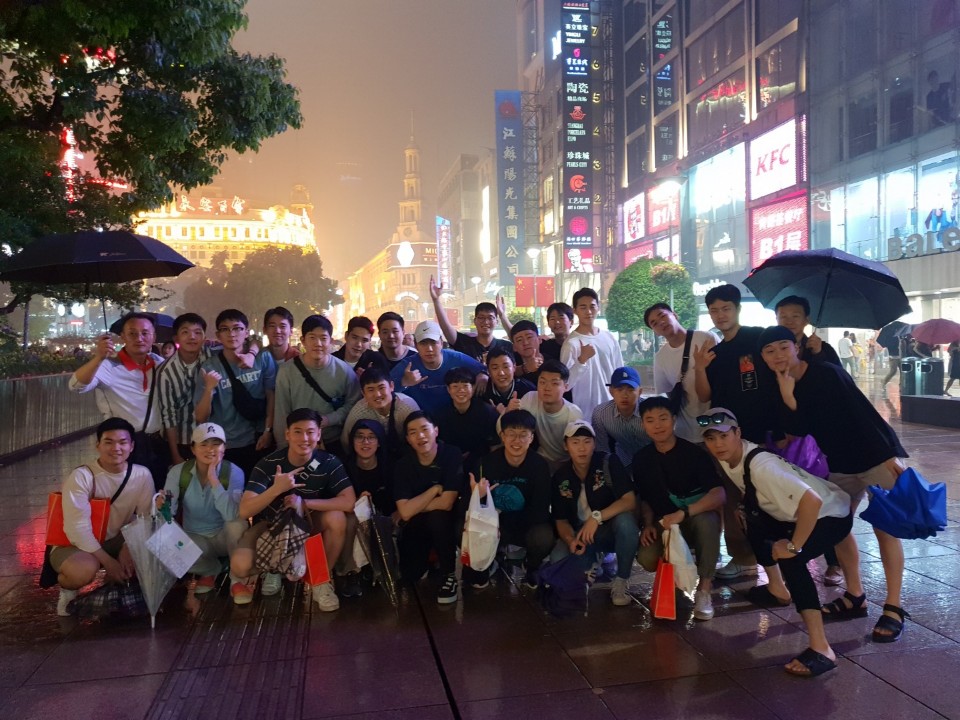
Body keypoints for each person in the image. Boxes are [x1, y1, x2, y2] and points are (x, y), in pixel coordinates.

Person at [759, 325, 913, 643]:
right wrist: (787, 395)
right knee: (838, 525)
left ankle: (894, 606)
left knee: (886, 529)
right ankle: (855, 595)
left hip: (874, 457)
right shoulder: (778, 386)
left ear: (796, 347)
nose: (778, 355)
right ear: (763, 357)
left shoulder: (826, 373)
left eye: (783, 347)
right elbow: (798, 430)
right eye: (769, 351)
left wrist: (889, 455)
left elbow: (863, 414)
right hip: (840, 464)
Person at [701, 407, 856, 677]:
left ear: (738, 434)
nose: (718, 444)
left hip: (830, 515)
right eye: (711, 438)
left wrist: (793, 546)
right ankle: (777, 589)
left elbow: (811, 501)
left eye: (724, 436)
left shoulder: (762, 467)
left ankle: (822, 649)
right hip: (798, 513)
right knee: (749, 519)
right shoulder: (731, 457)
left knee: (792, 560)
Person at [232, 408, 356, 611]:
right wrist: (276, 489)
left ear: (319, 434)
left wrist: (304, 503)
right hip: (271, 527)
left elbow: (349, 502)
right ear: (287, 434)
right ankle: (273, 569)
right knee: (240, 565)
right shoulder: (269, 463)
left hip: (308, 523)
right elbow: (245, 510)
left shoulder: (328, 462)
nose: (304, 438)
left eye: (310, 432)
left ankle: (320, 579)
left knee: (337, 518)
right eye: (298, 431)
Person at [694, 283, 778, 580]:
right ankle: (743, 557)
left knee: (767, 495)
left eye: (726, 308)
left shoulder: (758, 338)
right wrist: (700, 368)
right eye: (714, 310)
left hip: (761, 432)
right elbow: (704, 396)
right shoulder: (713, 353)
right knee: (732, 498)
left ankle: (777, 553)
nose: (720, 315)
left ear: (738, 309)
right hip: (725, 437)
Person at [51, 418, 155, 616]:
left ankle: (113, 583)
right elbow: (77, 529)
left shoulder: (141, 475)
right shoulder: (82, 476)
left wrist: (128, 546)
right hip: (74, 544)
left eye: (123, 442)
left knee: (153, 552)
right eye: (109, 442)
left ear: (132, 446)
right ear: (97, 445)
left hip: (115, 538)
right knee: (82, 571)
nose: (116, 448)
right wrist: (109, 562)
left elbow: (145, 518)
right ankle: (68, 590)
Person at [633, 398, 725, 621]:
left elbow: (719, 494)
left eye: (663, 418)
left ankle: (704, 589)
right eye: (650, 420)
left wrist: (685, 513)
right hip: (663, 523)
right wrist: (647, 524)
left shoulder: (694, 454)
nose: (657, 425)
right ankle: (676, 579)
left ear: (674, 420)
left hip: (693, 519)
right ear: (643, 424)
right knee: (646, 557)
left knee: (707, 521)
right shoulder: (641, 459)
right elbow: (644, 498)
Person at [773, 295, 843, 584]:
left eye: (795, 315)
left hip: (817, 437)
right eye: (783, 315)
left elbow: (838, 383)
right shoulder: (774, 348)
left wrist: (819, 353)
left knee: (825, 496)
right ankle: (795, 554)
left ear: (806, 319)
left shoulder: (820, 349)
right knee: (792, 496)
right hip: (788, 435)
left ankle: (834, 562)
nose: (789, 320)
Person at [69, 312, 169, 489]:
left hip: (157, 445)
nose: (139, 338)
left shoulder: (160, 364)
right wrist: (99, 357)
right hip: (124, 447)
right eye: (132, 333)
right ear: (123, 336)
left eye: (145, 333)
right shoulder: (109, 366)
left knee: (159, 494)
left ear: (153, 337)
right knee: (127, 494)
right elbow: (76, 386)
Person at [550, 420, 639, 607]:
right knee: (557, 560)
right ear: (566, 446)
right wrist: (570, 540)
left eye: (587, 441)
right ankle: (591, 559)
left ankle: (621, 580)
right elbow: (561, 519)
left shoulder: (608, 462)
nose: (582, 448)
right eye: (575, 442)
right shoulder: (561, 475)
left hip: (607, 529)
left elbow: (629, 500)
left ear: (594, 444)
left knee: (626, 522)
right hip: (580, 533)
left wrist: (596, 517)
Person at [468, 410, 554, 589]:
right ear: (502, 436)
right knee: (461, 527)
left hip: (525, 524)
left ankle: (531, 565)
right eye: (511, 434)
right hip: (492, 524)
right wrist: (479, 497)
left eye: (523, 435)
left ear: (532, 438)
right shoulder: (486, 463)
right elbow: (470, 508)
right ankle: (487, 560)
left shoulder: (539, 465)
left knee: (544, 536)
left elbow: (540, 511)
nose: (517, 440)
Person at [162, 422, 246, 592]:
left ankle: (237, 578)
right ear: (193, 449)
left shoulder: (234, 472)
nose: (210, 449)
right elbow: (168, 514)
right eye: (203, 444)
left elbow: (230, 515)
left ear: (224, 448)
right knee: (164, 543)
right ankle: (210, 569)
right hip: (195, 540)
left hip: (224, 538)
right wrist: (162, 508)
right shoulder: (178, 472)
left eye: (216, 444)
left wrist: (214, 480)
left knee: (238, 524)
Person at [393, 412, 463, 604]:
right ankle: (430, 561)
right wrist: (434, 490)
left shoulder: (451, 454)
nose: (421, 436)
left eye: (425, 429)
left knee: (438, 517)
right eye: (413, 432)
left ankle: (449, 575)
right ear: (408, 439)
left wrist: (412, 506)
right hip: (416, 523)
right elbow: (405, 513)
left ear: (436, 431)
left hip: (447, 519)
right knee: (410, 575)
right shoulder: (403, 464)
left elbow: (446, 502)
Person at [196, 309, 276, 476]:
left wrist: (268, 431)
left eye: (237, 328)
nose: (231, 334)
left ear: (246, 332)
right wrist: (209, 389)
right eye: (225, 329)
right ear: (218, 335)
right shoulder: (210, 367)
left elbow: (271, 396)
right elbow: (201, 417)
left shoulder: (262, 358)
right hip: (226, 443)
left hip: (258, 439)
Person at [273, 314, 360, 457]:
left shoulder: (345, 372)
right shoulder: (287, 371)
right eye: (312, 337)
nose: (318, 343)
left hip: (332, 441)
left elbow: (353, 405)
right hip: (298, 444)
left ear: (331, 341)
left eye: (323, 338)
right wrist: (283, 450)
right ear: (303, 340)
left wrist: (329, 419)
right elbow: (281, 413)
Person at [645, 302, 714, 442]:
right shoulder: (660, 358)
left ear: (674, 315)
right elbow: (666, 395)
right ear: (655, 332)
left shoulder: (705, 338)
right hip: (686, 432)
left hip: (716, 426)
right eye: (654, 323)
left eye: (662, 316)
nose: (661, 323)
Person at [388, 320, 488, 416]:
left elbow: (485, 369)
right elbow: (385, 390)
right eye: (423, 343)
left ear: (441, 342)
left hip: (455, 417)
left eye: (433, 342)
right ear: (416, 345)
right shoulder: (407, 365)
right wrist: (404, 382)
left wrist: (483, 374)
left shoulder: (456, 358)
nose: (429, 349)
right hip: (421, 421)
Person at [561, 288, 625, 420]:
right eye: (583, 307)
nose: (588, 312)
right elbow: (564, 384)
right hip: (584, 413)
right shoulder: (571, 343)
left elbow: (619, 372)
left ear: (598, 308)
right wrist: (581, 360)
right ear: (575, 310)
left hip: (612, 410)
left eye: (592, 306)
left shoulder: (609, 338)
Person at [157, 313, 211, 466]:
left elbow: (246, 345)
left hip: (210, 437)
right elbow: (168, 415)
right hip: (182, 441)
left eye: (198, 332)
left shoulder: (211, 358)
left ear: (204, 338)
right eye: (185, 332)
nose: (192, 337)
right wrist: (175, 454)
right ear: (176, 339)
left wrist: (252, 351)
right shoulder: (166, 371)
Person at [430, 276, 513, 363]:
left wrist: (502, 315)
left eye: (490, 318)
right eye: (481, 317)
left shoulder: (506, 346)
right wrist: (436, 300)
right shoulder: (465, 343)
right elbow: (446, 328)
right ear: (475, 321)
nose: (486, 322)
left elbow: (516, 336)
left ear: (497, 322)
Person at [518, 359, 583, 472]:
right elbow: (509, 430)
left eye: (554, 383)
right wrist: (508, 412)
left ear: (566, 387)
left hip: (567, 463)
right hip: (539, 459)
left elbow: (578, 450)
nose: (547, 388)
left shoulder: (573, 414)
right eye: (542, 382)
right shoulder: (530, 398)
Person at [339, 367, 420, 456]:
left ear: (391, 386)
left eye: (381, 388)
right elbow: (346, 442)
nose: (377, 394)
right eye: (370, 390)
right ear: (363, 393)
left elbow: (420, 435)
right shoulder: (359, 412)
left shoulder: (407, 406)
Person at [433, 368, 500, 470]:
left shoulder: (487, 412)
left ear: (473, 388)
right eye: (455, 386)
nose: (461, 390)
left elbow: (494, 445)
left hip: (481, 461)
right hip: (450, 461)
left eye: (465, 386)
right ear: (448, 389)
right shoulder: (440, 413)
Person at [591, 366, 650, 466]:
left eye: (630, 390)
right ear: (611, 391)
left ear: (640, 392)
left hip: (651, 459)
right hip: (622, 461)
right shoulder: (600, 413)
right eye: (619, 389)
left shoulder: (649, 411)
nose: (625, 395)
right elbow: (602, 448)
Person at [345, 419, 397, 519]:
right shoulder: (343, 468)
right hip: (355, 518)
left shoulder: (391, 467)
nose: (365, 442)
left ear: (379, 442)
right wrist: (358, 502)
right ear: (352, 441)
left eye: (372, 437)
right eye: (360, 437)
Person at [774, 296, 841, 366]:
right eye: (783, 317)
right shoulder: (770, 348)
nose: (789, 322)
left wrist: (818, 354)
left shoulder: (824, 349)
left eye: (795, 316)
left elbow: (838, 372)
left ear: (806, 320)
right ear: (777, 319)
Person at [482, 345, 535, 412]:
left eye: (506, 367)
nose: (501, 373)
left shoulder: (528, 390)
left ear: (514, 367)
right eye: (495, 368)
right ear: (488, 371)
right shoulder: (482, 392)